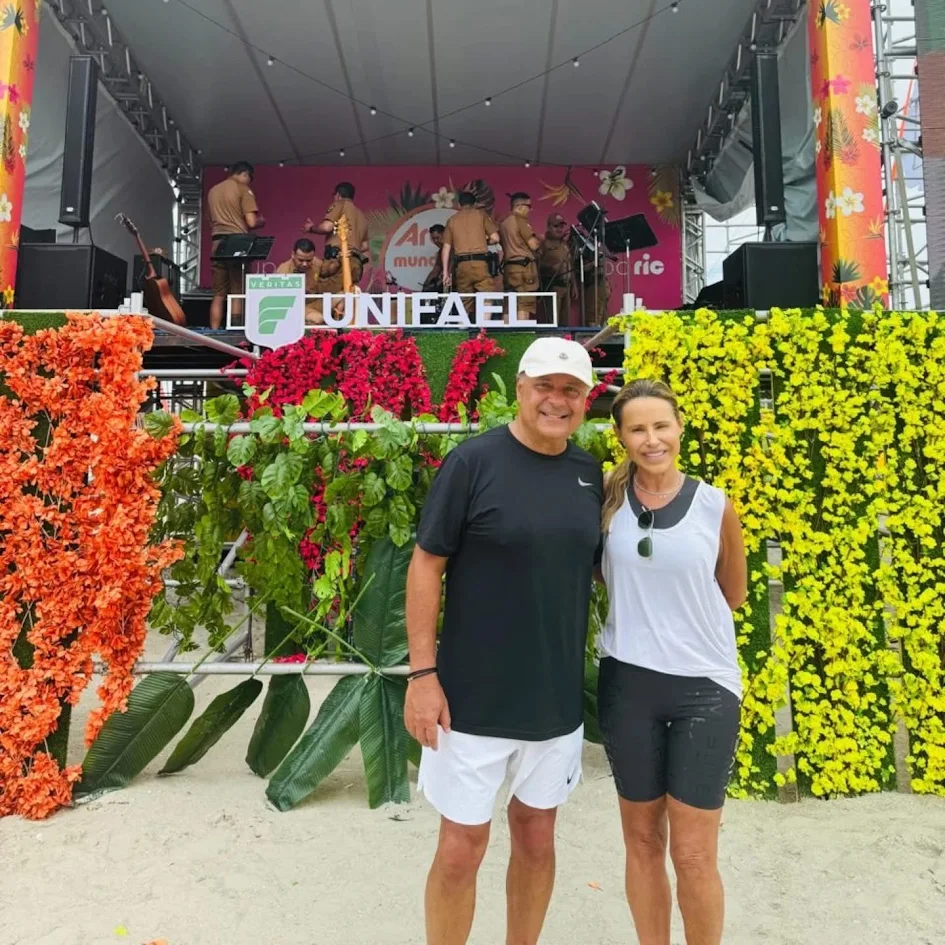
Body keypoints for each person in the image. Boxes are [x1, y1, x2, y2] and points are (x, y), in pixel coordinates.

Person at [404, 337, 603, 945]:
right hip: (470, 700)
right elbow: (425, 565)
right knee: (461, 848)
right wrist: (422, 676)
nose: (556, 400)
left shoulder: (590, 474)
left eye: (570, 390)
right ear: (519, 389)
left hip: (554, 699)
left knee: (538, 839)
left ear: (586, 400)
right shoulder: (473, 463)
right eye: (544, 386)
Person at [596, 378, 747, 945]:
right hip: (627, 685)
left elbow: (732, 592)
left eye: (661, 425)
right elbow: (599, 574)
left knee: (693, 852)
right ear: (621, 436)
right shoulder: (607, 500)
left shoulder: (714, 505)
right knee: (641, 842)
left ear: (680, 428)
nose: (652, 438)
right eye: (637, 429)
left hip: (704, 689)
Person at [206, 161, 265, 329]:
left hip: (217, 242)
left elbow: (210, 220)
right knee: (237, 290)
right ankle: (236, 330)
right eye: (250, 178)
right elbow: (251, 222)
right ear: (245, 174)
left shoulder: (213, 191)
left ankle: (214, 331)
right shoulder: (243, 189)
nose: (249, 182)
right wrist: (261, 221)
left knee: (218, 294)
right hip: (237, 243)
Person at [303, 181, 370, 297]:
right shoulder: (361, 215)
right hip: (356, 263)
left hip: (338, 261)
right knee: (344, 297)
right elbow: (365, 246)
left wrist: (311, 228)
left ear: (338, 194)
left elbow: (326, 227)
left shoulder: (339, 204)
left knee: (319, 295)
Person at [441, 191, 500, 314]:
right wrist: (484, 242)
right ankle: (484, 325)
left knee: (465, 300)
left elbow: (446, 248)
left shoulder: (452, 220)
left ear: (459, 204)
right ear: (475, 204)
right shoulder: (481, 215)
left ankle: (464, 324)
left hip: (462, 265)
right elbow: (495, 238)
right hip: (480, 263)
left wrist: (445, 272)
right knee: (487, 297)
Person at [274, 238, 338, 326]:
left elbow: (327, 271)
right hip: (295, 307)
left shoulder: (316, 262)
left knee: (342, 296)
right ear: (293, 255)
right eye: (300, 260)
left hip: (314, 302)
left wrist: (335, 262)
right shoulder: (283, 271)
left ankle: (341, 329)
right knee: (318, 319)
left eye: (308, 260)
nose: (305, 264)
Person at [499, 193, 541, 320]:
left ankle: (506, 331)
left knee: (509, 304)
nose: (530, 209)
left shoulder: (504, 223)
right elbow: (534, 245)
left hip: (509, 268)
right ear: (519, 206)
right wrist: (540, 240)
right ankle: (522, 331)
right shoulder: (520, 220)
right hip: (524, 268)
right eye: (529, 206)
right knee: (524, 303)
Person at [538, 213, 573, 325]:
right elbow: (535, 263)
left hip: (566, 287)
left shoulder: (565, 243)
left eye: (561, 226)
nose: (559, 229)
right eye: (556, 226)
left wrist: (574, 285)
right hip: (552, 286)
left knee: (565, 322)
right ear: (548, 227)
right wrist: (551, 267)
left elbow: (570, 264)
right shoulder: (542, 242)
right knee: (553, 322)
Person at [421, 224, 446, 293]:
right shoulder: (441, 252)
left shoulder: (453, 249)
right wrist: (425, 286)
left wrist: (436, 285)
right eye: (433, 239)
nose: (435, 241)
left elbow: (450, 271)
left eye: (437, 238)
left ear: (445, 235)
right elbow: (436, 270)